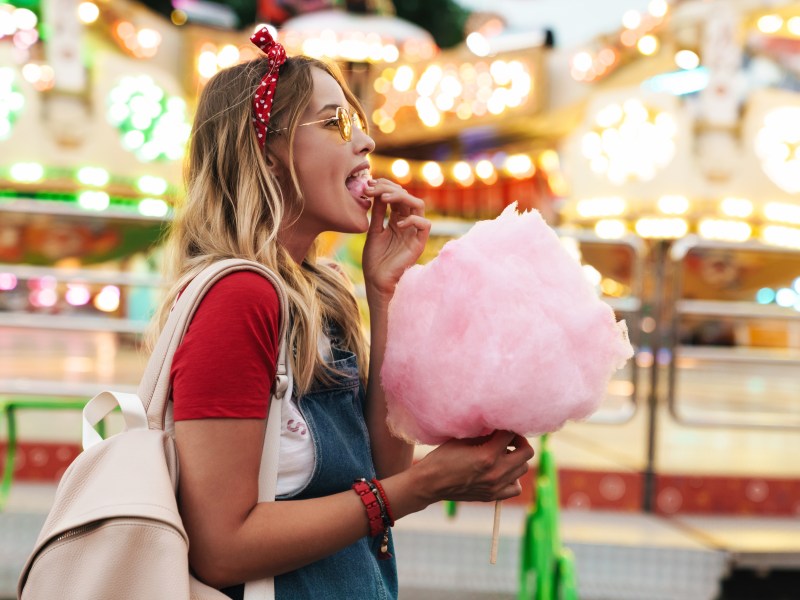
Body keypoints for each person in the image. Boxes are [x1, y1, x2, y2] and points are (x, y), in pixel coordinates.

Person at [147, 27, 534, 599]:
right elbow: (221, 547)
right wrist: (427, 485)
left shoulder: (319, 292)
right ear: (268, 156)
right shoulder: (239, 298)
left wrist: (384, 292)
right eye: (335, 123)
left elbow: (386, 468)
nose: (367, 142)